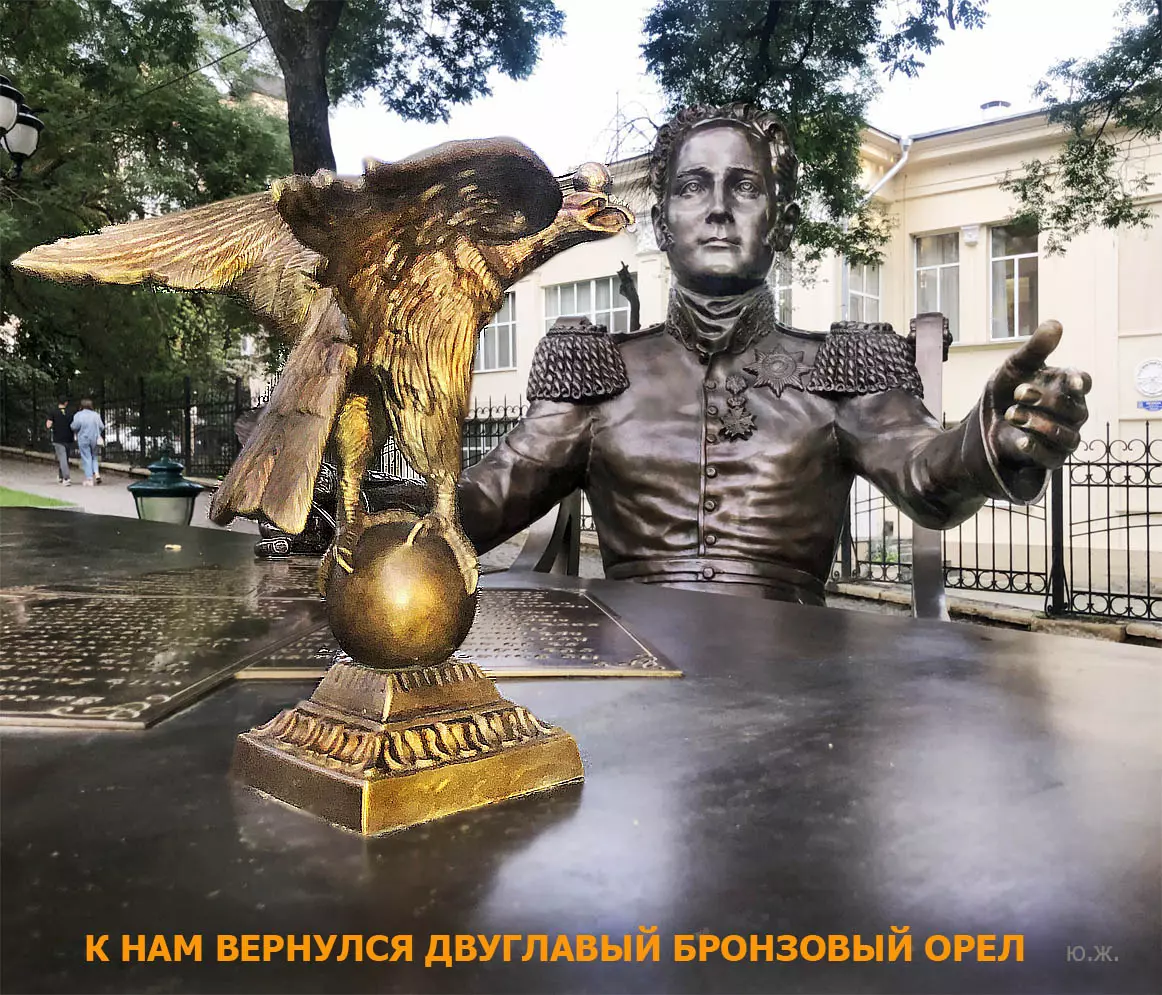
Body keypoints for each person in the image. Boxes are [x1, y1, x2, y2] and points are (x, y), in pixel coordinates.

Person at [392, 102, 1093, 605]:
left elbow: (925, 475)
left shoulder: (844, 368)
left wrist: (989, 436)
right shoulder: (598, 372)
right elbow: (481, 503)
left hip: (794, 685)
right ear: (662, 224)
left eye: (745, 186)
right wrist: (357, 504)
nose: (719, 207)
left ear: (778, 223)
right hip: (635, 679)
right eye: (693, 186)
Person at [70, 399, 104, 487]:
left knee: (86, 457)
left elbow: (74, 426)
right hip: (95, 439)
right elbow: (101, 426)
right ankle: (97, 473)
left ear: (81, 406)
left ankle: (89, 479)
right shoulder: (96, 415)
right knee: (94, 457)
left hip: (84, 438)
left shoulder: (78, 415)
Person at [45, 398, 73, 485]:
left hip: (58, 438)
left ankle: (66, 478)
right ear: (66, 403)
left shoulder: (53, 412)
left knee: (62, 458)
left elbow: (48, 425)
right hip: (69, 438)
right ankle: (61, 476)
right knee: (65, 458)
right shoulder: (70, 412)